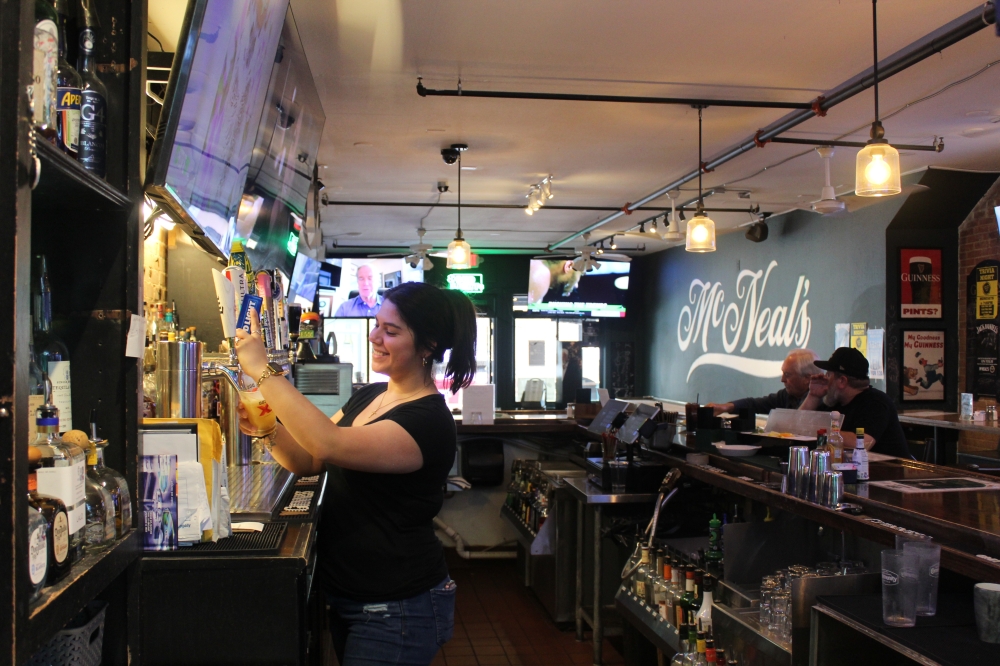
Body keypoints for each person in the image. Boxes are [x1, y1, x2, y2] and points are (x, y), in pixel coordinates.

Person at [235, 281, 478, 665]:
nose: (374, 336)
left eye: (391, 331)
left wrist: (263, 371)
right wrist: (266, 428)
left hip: (397, 606)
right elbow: (310, 458)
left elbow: (328, 443)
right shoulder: (371, 395)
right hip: (356, 597)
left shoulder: (428, 420)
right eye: (377, 324)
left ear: (428, 345)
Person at [798, 347, 912, 458]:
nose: (825, 379)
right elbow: (796, 426)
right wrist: (813, 396)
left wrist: (816, 431)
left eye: (828, 374)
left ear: (842, 381)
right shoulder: (833, 402)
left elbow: (861, 443)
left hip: (887, 473)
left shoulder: (876, 403)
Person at [708, 349, 821, 415]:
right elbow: (755, 404)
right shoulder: (786, 396)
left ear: (807, 378)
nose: (782, 380)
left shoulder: (825, 401)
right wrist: (725, 407)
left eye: (788, 375)